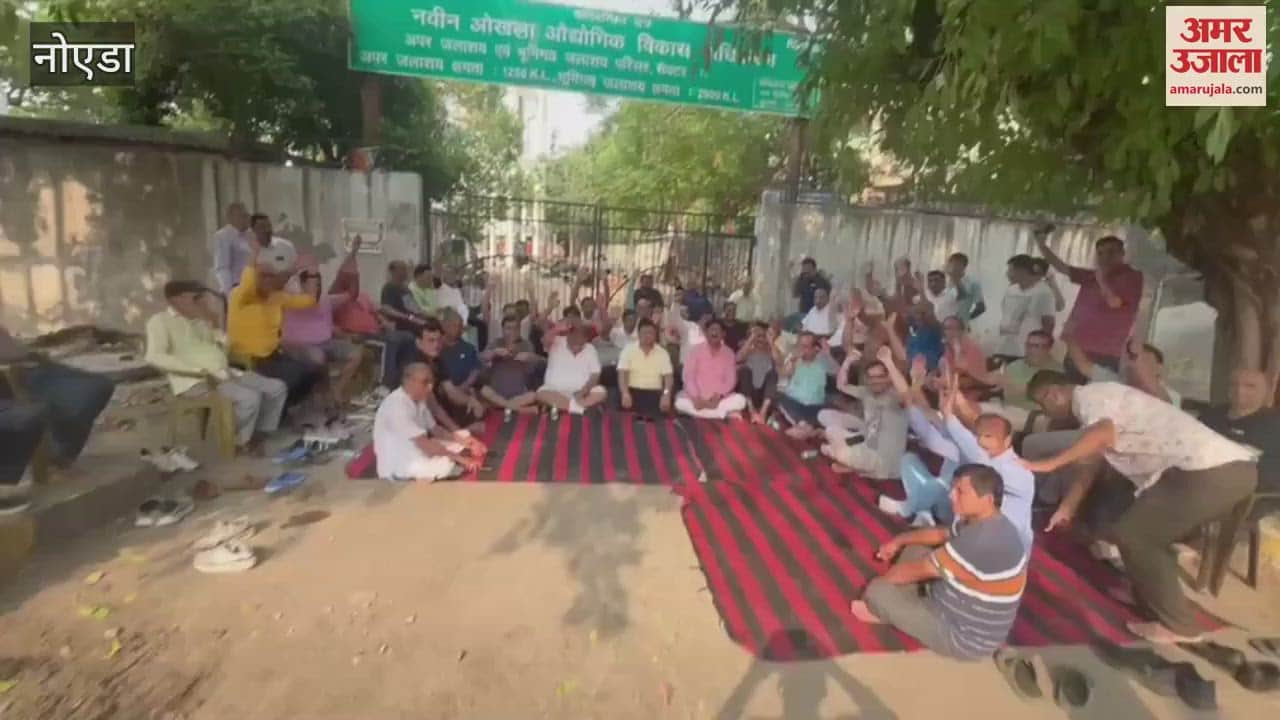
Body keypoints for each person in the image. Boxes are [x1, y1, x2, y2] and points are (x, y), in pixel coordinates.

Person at [1024, 371, 1257, 642]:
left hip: (1207, 471)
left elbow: (1103, 433)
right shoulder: (1100, 405)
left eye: (1043, 404)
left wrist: (1051, 464)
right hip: (1223, 471)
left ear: (1054, 394)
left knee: (1135, 536)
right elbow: (1090, 465)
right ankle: (1152, 601)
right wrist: (1067, 508)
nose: (1047, 412)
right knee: (1145, 534)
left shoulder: (1089, 398)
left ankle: (1178, 625)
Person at [851, 464, 1028, 660]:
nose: (952, 495)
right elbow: (941, 533)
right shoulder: (990, 522)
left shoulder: (980, 540)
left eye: (961, 492)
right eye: (953, 488)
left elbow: (918, 569)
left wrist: (883, 584)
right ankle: (900, 603)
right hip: (954, 605)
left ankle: (888, 609)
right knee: (915, 549)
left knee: (877, 592)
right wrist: (898, 540)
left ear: (987, 500)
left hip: (961, 637)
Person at [878, 351, 1035, 547]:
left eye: (989, 437)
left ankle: (912, 509)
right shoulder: (965, 443)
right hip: (959, 516)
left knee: (937, 488)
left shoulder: (1018, 471)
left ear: (1007, 440)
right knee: (911, 462)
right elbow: (926, 429)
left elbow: (977, 455)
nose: (983, 441)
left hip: (998, 544)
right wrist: (919, 389)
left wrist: (950, 412)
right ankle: (921, 511)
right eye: (980, 436)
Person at [146, 280, 287, 453]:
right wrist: (198, 372)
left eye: (201, 297)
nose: (201, 302)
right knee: (249, 397)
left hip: (225, 373)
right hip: (195, 381)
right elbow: (155, 356)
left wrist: (214, 322)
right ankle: (239, 441)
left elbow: (224, 347)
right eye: (196, 298)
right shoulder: (160, 321)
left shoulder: (199, 320)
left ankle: (261, 432)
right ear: (178, 299)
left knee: (277, 388)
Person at [0, 325, 115, 479]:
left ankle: (60, 453)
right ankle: (53, 456)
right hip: (11, 376)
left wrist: (33, 355)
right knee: (33, 410)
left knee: (98, 386)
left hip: (30, 365)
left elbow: (14, 349)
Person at [1036, 229, 1144, 380]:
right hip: (1076, 348)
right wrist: (1041, 245)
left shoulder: (1131, 276)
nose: (1105, 257)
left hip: (1104, 352)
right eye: (1100, 253)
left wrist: (1101, 280)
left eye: (1111, 252)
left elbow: (1114, 303)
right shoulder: (1091, 276)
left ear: (1122, 254)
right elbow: (1062, 267)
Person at [225, 244, 323, 408]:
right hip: (248, 359)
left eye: (272, 277)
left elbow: (310, 300)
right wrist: (255, 252)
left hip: (273, 357)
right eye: (263, 276)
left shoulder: (277, 297)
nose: (268, 280)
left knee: (312, 371)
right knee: (295, 374)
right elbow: (248, 281)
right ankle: (279, 412)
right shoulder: (240, 297)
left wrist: (313, 270)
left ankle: (284, 411)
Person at [373, 363, 485, 482]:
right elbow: (425, 444)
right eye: (425, 382)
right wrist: (461, 459)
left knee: (461, 438)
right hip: (400, 466)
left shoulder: (419, 401)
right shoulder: (396, 405)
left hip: (416, 450)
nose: (430, 387)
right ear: (409, 381)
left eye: (431, 382)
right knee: (447, 464)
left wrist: (467, 442)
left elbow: (436, 430)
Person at [328, 243, 418, 390]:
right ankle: (385, 384)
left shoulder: (362, 295)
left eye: (355, 279)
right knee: (392, 340)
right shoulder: (335, 297)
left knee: (408, 337)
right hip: (360, 335)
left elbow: (375, 311)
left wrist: (384, 322)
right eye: (351, 280)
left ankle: (406, 381)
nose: (354, 282)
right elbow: (329, 322)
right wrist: (346, 336)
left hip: (377, 331)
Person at [815, 352, 908, 478]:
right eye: (871, 377)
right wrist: (848, 361)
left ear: (889, 378)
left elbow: (905, 393)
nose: (875, 381)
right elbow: (841, 385)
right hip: (866, 441)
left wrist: (889, 362)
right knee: (831, 430)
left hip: (883, 460)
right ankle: (853, 463)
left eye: (880, 376)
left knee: (833, 450)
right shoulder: (867, 392)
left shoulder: (895, 397)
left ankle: (852, 463)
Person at [282, 269, 364, 407]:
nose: (317, 287)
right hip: (300, 346)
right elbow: (282, 287)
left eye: (319, 284)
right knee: (318, 358)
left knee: (356, 353)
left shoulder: (325, 299)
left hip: (327, 342)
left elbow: (351, 295)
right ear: (302, 284)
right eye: (313, 284)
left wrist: (355, 277)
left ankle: (337, 390)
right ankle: (326, 393)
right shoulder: (292, 300)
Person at [1200, 368, 1279, 496]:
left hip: (1250, 497)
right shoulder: (1211, 416)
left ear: (1266, 391)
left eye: (1250, 386)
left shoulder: (1274, 424)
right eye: (1233, 384)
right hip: (1199, 484)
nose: (1239, 391)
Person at [974, 330, 1063, 431]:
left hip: (1032, 415)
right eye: (1031, 345)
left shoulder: (1057, 371)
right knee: (969, 408)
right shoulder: (1016, 365)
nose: (1034, 350)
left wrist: (1007, 383)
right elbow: (989, 379)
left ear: (1049, 349)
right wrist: (968, 369)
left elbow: (1037, 393)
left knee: (978, 417)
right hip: (1005, 407)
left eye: (1041, 346)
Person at [1065, 336, 1181, 407]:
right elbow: (1084, 366)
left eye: (1145, 360)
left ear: (1159, 368)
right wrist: (1069, 337)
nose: (1135, 364)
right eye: (1131, 359)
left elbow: (1161, 399)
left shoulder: (1172, 396)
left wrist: (1137, 356)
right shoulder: (1117, 380)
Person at [676, 318, 748, 420]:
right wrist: (696, 397)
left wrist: (719, 395)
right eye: (712, 329)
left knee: (740, 400)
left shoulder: (729, 353)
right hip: (697, 399)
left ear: (723, 334)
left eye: (718, 330)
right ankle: (720, 414)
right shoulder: (695, 350)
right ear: (706, 333)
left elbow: (730, 380)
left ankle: (701, 413)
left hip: (718, 399)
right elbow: (689, 376)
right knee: (679, 401)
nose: (714, 333)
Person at [995, 254, 1057, 363]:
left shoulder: (1043, 292)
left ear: (1022, 271)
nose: (1007, 274)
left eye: (1010, 270)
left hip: (1026, 350)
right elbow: (1005, 312)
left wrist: (1043, 349)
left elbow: (1049, 323)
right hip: (1004, 346)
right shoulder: (1011, 290)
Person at [536, 325, 608, 418]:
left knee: (601, 392)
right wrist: (557, 329)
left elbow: (595, 374)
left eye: (581, 344)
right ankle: (580, 409)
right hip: (554, 391)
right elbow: (544, 340)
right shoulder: (556, 341)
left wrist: (584, 390)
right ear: (568, 336)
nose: (577, 347)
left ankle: (565, 406)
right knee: (541, 393)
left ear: (586, 339)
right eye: (574, 342)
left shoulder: (590, 348)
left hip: (582, 393)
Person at [480, 315, 541, 417]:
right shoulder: (496, 343)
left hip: (519, 395)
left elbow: (534, 367)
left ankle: (506, 407)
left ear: (519, 330)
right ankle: (517, 409)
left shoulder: (526, 345)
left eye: (516, 328)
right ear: (502, 330)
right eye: (508, 328)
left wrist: (530, 357)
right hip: (496, 393)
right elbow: (481, 358)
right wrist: (494, 353)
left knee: (534, 395)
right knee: (484, 390)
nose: (512, 331)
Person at [776, 331, 829, 439]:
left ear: (816, 348)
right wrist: (791, 362)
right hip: (794, 403)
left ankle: (804, 428)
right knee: (778, 396)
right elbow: (783, 375)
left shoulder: (824, 362)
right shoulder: (794, 361)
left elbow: (838, 374)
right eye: (800, 346)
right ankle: (806, 427)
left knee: (825, 409)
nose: (802, 350)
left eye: (805, 347)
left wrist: (826, 352)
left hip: (815, 406)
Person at [435, 308, 485, 423]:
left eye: (461, 325)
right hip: (443, 392)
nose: (461, 329)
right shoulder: (436, 347)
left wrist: (465, 386)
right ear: (445, 326)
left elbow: (475, 370)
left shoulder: (468, 347)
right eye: (456, 325)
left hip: (465, 389)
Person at [619, 319, 675, 420]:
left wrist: (666, 394)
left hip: (655, 393)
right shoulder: (628, 349)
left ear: (655, 335)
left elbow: (668, 378)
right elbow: (622, 374)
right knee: (627, 418)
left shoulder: (662, 352)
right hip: (633, 392)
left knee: (658, 420)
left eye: (651, 333)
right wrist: (625, 392)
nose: (648, 335)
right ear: (638, 334)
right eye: (644, 333)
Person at [736, 322, 780, 425]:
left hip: (765, 397)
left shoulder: (771, 351)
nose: (760, 339)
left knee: (773, 374)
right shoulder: (749, 349)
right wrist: (751, 339)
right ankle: (752, 412)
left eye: (763, 336)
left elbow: (779, 361)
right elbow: (738, 358)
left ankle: (762, 413)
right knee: (744, 370)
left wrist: (771, 342)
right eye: (758, 336)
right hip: (749, 395)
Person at [211, 201, 252, 294]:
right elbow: (222, 267)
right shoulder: (223, 236)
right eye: (242, 216)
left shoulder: (251, 234)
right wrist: (229, 291)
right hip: (236, 287)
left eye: (247, 215)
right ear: (231, 218)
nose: (247, 218)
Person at [381, 261, 428, 333]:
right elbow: (386, 308)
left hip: (412, 321)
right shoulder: (389, 287)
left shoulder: (406, 289)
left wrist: (422, 316)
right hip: (400, 325)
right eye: (402, 269)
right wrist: (407, 317)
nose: (405, 272)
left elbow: (413, 308)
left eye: (406, 269)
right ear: (393, 272)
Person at [944, 252, 986, 323]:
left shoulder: (973, 283)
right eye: (951, 264)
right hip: (942, 324)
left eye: (957, 264)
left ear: (964, 266)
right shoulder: (943, 282)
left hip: (960, 325)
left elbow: (981, 307)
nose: (953, 267)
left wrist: (967, 318)